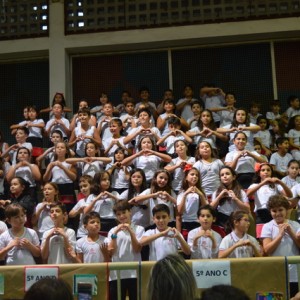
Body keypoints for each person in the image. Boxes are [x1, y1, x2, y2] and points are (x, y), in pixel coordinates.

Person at [261, 195, 300, 298]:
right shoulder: (267, 226)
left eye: (280, 210)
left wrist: (291, 233)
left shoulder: (296, 225)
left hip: (294, 274)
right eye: (274, 211)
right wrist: (280, 235)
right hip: (275, 273)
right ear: (270, 212)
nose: (277, 213)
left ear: (286, 210)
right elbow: (267, 249)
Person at [107, 201, 145, 300]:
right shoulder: (112, 231)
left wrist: (130, 231)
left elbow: (137, 248)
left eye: (124, 212)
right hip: (116, 274)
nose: (122, 216)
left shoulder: (139, 229)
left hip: (135, 273)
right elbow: (110, 251)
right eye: (118, 214)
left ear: (130, 212)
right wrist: (115, 232)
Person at [247, 163, 292, 231]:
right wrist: (263, 183)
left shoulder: (276, 185)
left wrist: (281, 182)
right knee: (262, 236)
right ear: (259, 173)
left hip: (275, 212)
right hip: (261, 213)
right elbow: (248, 194)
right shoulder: (254, 185)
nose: (266, 172)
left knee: (276, 234)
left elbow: (289, 195)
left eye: (268, 170)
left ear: (271, 173)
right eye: (263, 170)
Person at [43, 142, 77, 216]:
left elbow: (73, 177)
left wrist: (63, 167)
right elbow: (46, 178)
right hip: (55, 186)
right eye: (58, 147)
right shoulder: (52, 163)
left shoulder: (70, 162)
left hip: (67, 187)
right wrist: (50, 168)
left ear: (66, 150)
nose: (59, 149)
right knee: (55, 206)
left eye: (62, 148)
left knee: (67, 207)